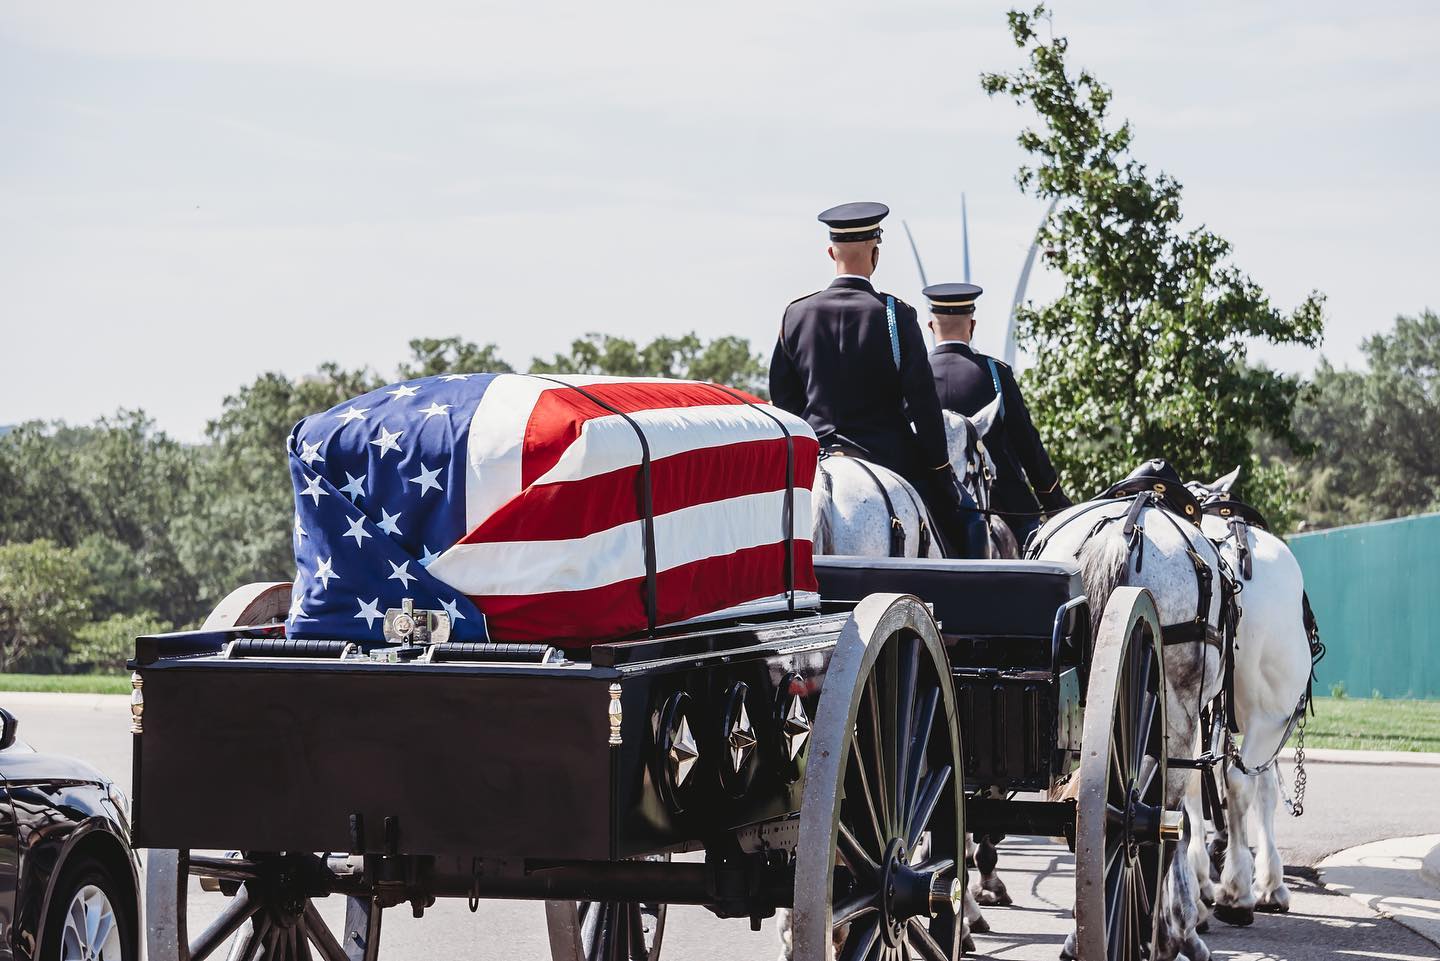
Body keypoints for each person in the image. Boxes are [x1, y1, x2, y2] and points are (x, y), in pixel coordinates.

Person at [770, 202, 987, 558]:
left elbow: (784, 400)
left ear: (831, 252)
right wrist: (940, 469)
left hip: (815, 458)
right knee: (970, 522)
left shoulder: (796, 314)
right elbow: (923, 404)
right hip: (888, 456)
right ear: (875, 253)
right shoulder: (894, 315)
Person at [924, 282, 1071, 547]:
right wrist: (1054, 502)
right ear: (972, 325)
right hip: (1001, 507)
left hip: (928, 504)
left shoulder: (915, 376)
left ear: (931, 327)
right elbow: (1028, 445)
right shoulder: (996, 374)